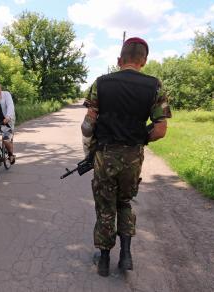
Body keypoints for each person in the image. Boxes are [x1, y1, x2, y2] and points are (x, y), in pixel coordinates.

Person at [81, 37, 172, 277]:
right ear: (144, 61)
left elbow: (87, 126)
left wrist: (90, 149)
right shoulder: (155, 85)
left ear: (119, 60)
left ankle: (103, 260)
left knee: (105, 206)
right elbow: (160, 130)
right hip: (133, 157)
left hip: (105, 155)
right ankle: (126, 255)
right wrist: (140, 139)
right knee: (124, 203)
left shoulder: (101, 83)